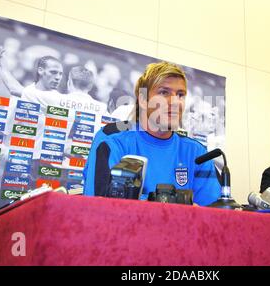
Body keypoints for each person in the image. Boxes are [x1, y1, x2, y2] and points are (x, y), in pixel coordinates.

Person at [83, 61, 221, 206]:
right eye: (164, 92)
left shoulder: (197, 152)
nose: (175, 102)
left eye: (180, 95)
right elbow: (97, 208)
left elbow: (216, 216)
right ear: (143, 99)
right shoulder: (112, 140)